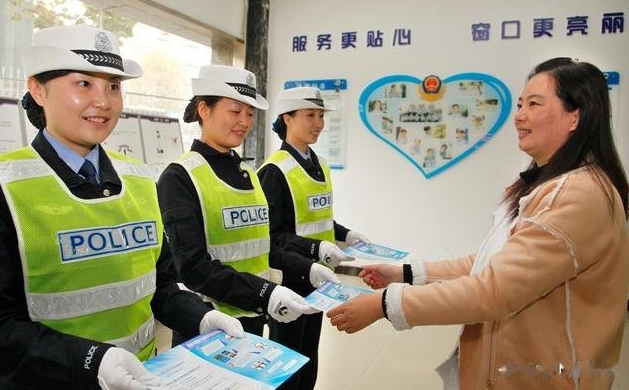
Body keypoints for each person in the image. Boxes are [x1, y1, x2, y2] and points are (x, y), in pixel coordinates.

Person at [326, 58, 629, 390]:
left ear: (575, 116)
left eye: (534, 104)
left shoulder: (576, 194)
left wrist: (385, 303)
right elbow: (489, 263)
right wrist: (405, 274)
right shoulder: (546, 184)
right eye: (520, 104)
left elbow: (495, 289)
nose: (519, 115)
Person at [0, 25, 243, 390]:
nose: (104, 102)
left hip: (144, 378)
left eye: (113, 86)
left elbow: (159, 286)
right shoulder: (2, 187)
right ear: (38, 90)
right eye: (83, 84)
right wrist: (92, 359)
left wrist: (201, 317)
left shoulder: (139, 180)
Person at [157, 66, 334, 346]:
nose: (244, 121)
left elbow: (262, 246)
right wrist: (265, 292)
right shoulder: (180, 176)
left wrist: (307, 267)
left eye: (250, 113)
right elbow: (191, 267)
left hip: (253, 316)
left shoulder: (248, 174)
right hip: (208, 325)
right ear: (204, 110)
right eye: (235, 111)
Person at [258, 86, 371, 390]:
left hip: (319, 280)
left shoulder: (318, 165)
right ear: (288, 118)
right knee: (287, 361)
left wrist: (346, 235)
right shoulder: (274, 171)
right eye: (310, 115)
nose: (318, 123)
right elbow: (270, 237)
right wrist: (316, 248)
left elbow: (317, 219)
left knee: (309, 357)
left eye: (321, 116)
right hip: (290, 280)